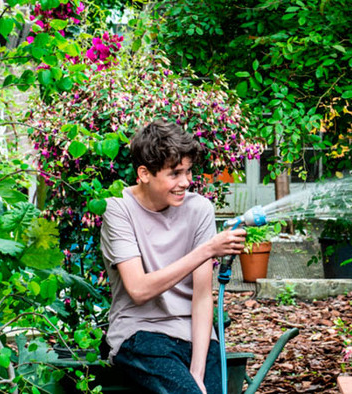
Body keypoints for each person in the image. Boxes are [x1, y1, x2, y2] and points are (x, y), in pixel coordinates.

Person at [100, 120, 246, 394]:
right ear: (144, 173)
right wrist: (208, 250)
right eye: (175, 173)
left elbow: (202, 296)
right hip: (140, 333)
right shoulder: (118, 212)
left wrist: (197, 372)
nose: (186, 182)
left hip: (194, 335)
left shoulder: (199, 209)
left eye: (188, 171)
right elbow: (139, 290)